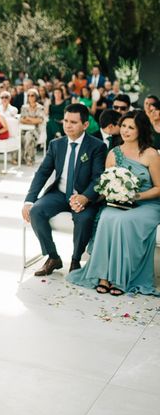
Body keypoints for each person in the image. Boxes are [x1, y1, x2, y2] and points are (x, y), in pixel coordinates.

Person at [67, 111, 160, 296]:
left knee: (124, 221)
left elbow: (159, 187)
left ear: (140, 130)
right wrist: (111, 193)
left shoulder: (150, 154)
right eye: (124, 126)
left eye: (131, 127)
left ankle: (120, 278)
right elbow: (105, 184)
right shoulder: (113, 154)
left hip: (147, 204)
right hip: (119, 204)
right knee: (107, 218)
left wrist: (137, 196)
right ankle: (103, 276)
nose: (125, 131)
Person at [22, 104, 107, 276]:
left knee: (84, 219)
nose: (68, 125)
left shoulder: (97, 146)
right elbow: (43, 173)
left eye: (73, 122)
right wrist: (29, 200)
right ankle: (53, 257)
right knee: (36, 211)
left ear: (85, 125)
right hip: (59, 194)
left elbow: (99, 177)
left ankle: (75, 260)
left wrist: (85, 197)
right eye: (66, 121)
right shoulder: (56, 144)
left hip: (83, 196)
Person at [20, 89, 46, 166]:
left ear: (36, 97)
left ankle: (29, 158)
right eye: (28, 95)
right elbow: (22, 119)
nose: (30, 97)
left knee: (29, 135)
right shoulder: (24, 107)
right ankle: (21, 158)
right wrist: (33, 120)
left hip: (36, 130)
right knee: (21, 136)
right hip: (24, 129)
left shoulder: (40, 107)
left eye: (32, 95)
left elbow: (40, 120)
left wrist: (28, 118)